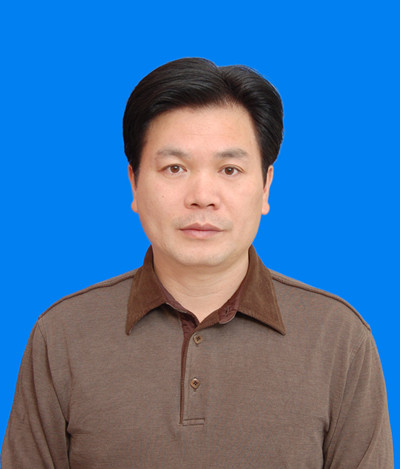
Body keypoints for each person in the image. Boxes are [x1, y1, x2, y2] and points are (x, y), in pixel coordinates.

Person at [1, 58, 393, 469]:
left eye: (230, 169)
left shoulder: (340, 338)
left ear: (265, 186)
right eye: (175, 168)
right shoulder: (62, 335)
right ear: (134, 182)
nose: (202, 196)